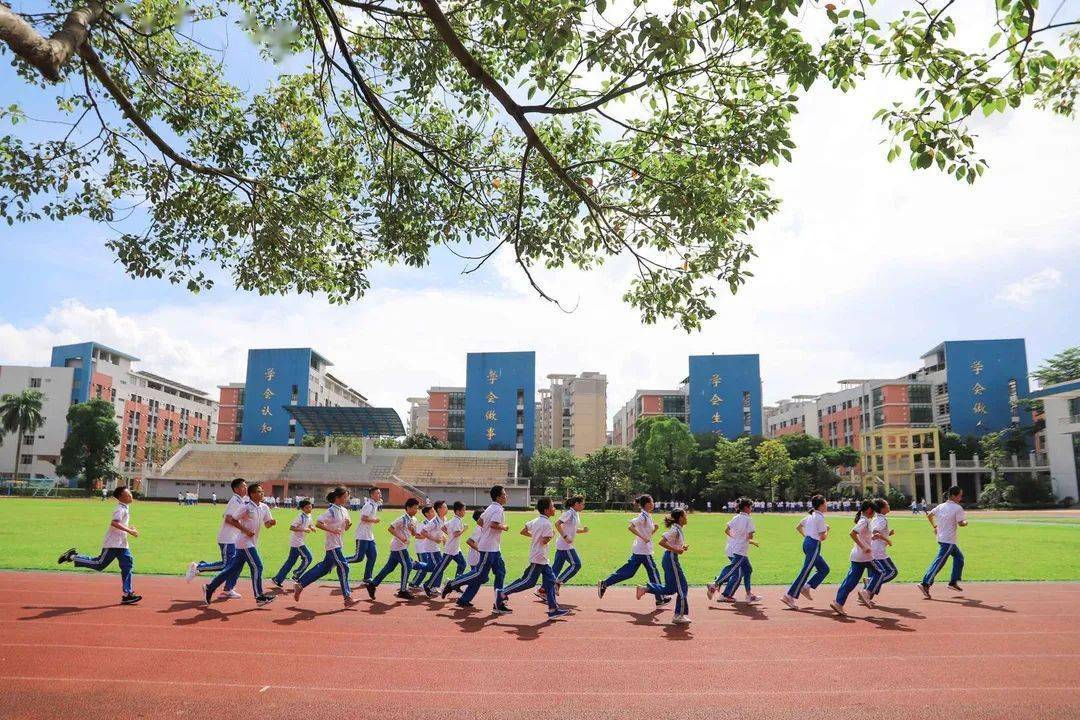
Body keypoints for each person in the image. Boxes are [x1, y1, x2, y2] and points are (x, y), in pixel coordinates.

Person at [57, 486, 141, 605]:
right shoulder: (120, 509)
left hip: (122, 544)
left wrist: (130, 529)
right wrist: (130, 531)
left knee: (127, 565)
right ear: (121, 497)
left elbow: (120, 524)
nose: (131, 495)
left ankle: (127, 594)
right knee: (99, 564)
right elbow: (114, 523)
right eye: (128, 494)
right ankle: (72, 557)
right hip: (112, 543)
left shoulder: (125, 508)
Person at [202, 482, 276, 607]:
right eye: (259, 491)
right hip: (244, 542)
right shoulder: (246, 507)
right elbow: (232, 520)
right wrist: (245, 530)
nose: (262, 493)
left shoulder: (264, 507)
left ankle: (210, 587)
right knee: (258, 566)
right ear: (252, 494)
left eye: (262, 491)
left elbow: (267, 524)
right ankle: (259, 597)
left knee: (232, 569)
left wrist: (271, 523)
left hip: (251, 542)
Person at [497, 497, 570, 618]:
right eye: (552, 506)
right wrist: (551, 535)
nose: (554, 508)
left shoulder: (536, 520)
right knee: (528, 582)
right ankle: (502, 592)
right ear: (546, 510)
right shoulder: (546, 523)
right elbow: (544, 541)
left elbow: (523, 531)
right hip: (539, 558)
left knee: (551, 581)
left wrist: (536, 536)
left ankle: (553, 609)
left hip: (541, 558)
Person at [441, 485, 510, 611]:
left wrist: (485, 532)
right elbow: (494, 525)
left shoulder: (490, 508)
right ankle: (452, 584)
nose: (506, 496)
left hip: (494, 548)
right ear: (499, 497)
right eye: (504, 494)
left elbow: (480, 522)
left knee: (500, 572)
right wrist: (504, 527)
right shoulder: (497, 510)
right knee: (479, 574)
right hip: (489, 548)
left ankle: (498, 603)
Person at [596, 495, 667, 608]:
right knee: (654, 573)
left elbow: (647, 535)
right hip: (644, 551)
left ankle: (605, 583)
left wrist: (654, 529)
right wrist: (643, 537)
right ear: (647, 504)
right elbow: (631, 527)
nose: (653, 503)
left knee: (629, 572)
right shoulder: (643, 516)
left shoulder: (648, 515)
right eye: (652, 501)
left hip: (640, 549)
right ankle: (660, 599)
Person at [184, 477, 247, 598]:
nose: (246, 488)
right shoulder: (235, 501)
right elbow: (228, 519)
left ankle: (229, 588)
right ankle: (198, 567)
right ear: (236, 489)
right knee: (226, 565)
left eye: (246, 486)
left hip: (234, 539)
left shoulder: (241, 501)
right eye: (243, 486)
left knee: (236, 564)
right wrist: (244, 529)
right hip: (227, 538)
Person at [294, 486, 356, 606]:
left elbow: (344, 529)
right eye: (345, 497)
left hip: (338, 543)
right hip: (332, 545)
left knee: (324, 568)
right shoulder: (331, 511)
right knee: (344, 567)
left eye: (347, 496)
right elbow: (318, 523)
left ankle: (300, 584)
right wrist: (331, 530)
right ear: (337, 498)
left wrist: (348, 525)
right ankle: (347, 598)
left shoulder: (344, 510)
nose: (347, 499)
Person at [636, 508, 691, 625]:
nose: (687, 518)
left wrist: (681, 547)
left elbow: (672, 543)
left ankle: (645, 589)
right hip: (671, 559)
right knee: (683, 586)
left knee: (670, 589)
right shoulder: (675, 530)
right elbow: (662, 542)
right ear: (680, 518)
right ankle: (679, 615)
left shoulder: (678, 529)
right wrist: (676, 549)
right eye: (685, 516)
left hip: (670, 559)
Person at [366, 497, 423, 600]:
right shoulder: (402, 519)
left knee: (389, 568)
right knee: (408, 566)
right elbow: (390, 528)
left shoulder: (414, 519)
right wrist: (401, 538)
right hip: (399, 547)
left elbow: (414, 534)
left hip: (401, 547)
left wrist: (413, 530)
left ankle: (372, 584)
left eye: (417, 508)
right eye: (414, 508)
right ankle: (403, 590)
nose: (416, 510)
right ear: (408, 508)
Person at [780, 494, 830, 610]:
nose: (827, 505)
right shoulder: (820, 517)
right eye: (825, 503)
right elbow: (823, 537)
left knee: (824, 569)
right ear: (821, 505)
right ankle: (789, 595)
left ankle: (806, 587)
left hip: (808, 543)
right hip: (814, 545)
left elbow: (798, 527)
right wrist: (827, 530)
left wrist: (806, 537)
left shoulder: (810, 516)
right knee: (806, 570)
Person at [707, 497, 761, 604]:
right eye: (751, 507)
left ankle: (749, 594)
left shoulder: (736, 518)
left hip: (737, 548)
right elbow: (750, 536)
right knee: (733, 569)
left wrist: (736, 537)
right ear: (746, 507)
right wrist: (746, 539)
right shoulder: (749, 519)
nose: (751, 509)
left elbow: (726, 530)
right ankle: (716, 584)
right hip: (740, 550)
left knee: (747, 570)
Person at [917, 485, 967, 598]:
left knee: (959, 558)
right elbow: (961, 524)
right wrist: (965, 522)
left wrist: (935, 526)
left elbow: (929, 515)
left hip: (942, 538)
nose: (961, 498)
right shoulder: (958, 508)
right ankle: (925, 584)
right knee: (939, 562)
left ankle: (953, 582)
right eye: (959, 496)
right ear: (954, 496)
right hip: (948, 540)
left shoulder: (941, 506)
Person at [829, 500, 877, 616]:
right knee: (881, 572)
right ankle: (866, 591)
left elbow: (863, 536)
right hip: (864, 556)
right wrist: (864, 547)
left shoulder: (864, 520)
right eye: (873, 510)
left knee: (850, 581)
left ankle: (839, 603)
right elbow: (852, 533)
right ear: (869, 510)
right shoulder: (864, 521)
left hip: (858, 556)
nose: (874, 512)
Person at [424, 501, 468, 596]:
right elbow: (456, 534)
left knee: (463, 564)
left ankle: (456, 584)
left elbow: (444, 528)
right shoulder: (456, 521)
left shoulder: (451, 519)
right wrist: (464, 529)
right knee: (440, 568)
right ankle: (427, 585)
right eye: (464, 510)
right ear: (458, 511)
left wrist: (449, 535)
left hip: (456, 549)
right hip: (450, 550)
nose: (465, 512)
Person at [271, 498, 316, 588]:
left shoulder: (309, 515)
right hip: (297, 542)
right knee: (308, 558)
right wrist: (304, 529)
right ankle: (297, 574)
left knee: (290, 562)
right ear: (302, 509)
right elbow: (292, 527)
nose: (309, 509)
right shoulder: (300, 517)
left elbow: (310, 524)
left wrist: (312, 527)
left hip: (299, 541)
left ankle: (277, 579)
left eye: (310, 507)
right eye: (307, 508)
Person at [551, 495, 588, 594]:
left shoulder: (575, 514)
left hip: (563, 545)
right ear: (576, 504)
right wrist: (565, 537)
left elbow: (573, 529)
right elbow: (557, 524)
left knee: (555, 569)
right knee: (576, 564)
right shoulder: (569, 513)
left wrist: (582, 531)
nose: (584, 506)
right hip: (565, 545)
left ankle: (543, 590)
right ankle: (558, 582)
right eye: (582, 504)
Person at [347, 487, 382, 583]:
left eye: (380, 493)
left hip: (369, 535)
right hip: (362, 535)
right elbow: (363, 518)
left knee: (373, 556)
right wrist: (375, 520)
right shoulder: (369, 505)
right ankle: (339, 562)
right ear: (372, 495)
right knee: (358, 558)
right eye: (378, 493)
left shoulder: (374, 504)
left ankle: (367, 577)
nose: (380, 495)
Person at [866, 498, 898, 602]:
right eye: (887, 504)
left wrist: (888, 534)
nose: (889, 506)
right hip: (879, 551)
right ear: (882, 508)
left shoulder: (875, 518)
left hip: (873, 549)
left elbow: (875, 533)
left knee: (875, 572)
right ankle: (870, 583)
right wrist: (887, 540)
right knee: (892, 571)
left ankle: (866, 596)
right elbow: (876, 533)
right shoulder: (882, 519)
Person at [410, 501, 446, 591]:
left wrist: (443, 540)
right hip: (422, 548)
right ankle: (415, 580)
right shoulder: (423, 524)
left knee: (434, 567)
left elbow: (440, 532)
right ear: (426, 514)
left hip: (431, 548)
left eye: (433, 511)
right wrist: (429, 537)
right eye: (431, 511)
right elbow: (417, 535)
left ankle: (433, 586)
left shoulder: (438, 521)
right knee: (430, 568)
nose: (433, 513)